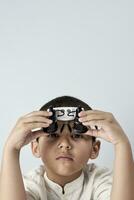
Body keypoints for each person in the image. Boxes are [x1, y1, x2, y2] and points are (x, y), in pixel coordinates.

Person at [0, 96, 133, 200]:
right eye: (53, 135)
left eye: (77, 135)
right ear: (35, 148)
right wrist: (11, 149)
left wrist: (121, 144)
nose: (64, 144)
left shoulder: (99, 180)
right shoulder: (27, 185)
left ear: (95, 149)